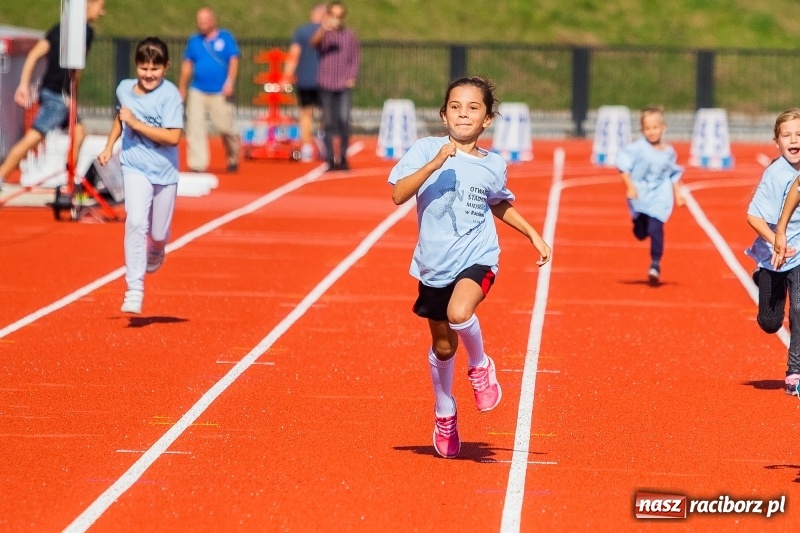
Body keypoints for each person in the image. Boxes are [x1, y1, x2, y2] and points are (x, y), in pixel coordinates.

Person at [388, 76, 551, 459]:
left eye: (473, 108)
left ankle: (480, 365)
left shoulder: (494, 165)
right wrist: (434, 163)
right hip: (433, 265)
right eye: (456, 107)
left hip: (478, 257)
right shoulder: (426, 148)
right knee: (443, 348)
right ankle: (445, 411)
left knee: (460, 313)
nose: (464, 113)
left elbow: (499, 203)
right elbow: (398, 194)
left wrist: (533, 235)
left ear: (487, 119)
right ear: (444, 115)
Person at [98, 37, 183, 315]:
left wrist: (138, 124)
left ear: (166, 67)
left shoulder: (170, 96)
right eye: (144, 68)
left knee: (158, 233)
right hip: (134, 166)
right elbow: (120, 118)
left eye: (155, 69)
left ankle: (158, 249)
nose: (149, 74)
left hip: (164, 171)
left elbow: (173, 137)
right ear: (136, 66)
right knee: (135, 221)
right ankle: (134, 287)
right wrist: (110, 146)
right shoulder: (124, 89)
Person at [0, 0, 106, 188]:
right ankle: (2, 174)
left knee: (79, 132)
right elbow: (76, 68)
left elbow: (34, 55)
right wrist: (74, 97)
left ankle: (69, 180)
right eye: (101, 6)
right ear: (88, 5)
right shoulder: (85, 32)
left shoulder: (59, 29)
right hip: (58, 95)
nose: (102, 12)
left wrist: (24, 84)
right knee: (34, 136)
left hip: (50, 91)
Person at [752, 109, 800, 396]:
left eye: (799, 135)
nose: (794, 140)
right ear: (777, 141)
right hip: (773, 253)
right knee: (770, 322)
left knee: (799, 308)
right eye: (787, 135)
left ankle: (794, 371)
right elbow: (754, 218)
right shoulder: (775, 174)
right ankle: (763, 279)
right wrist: (776, 238)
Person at [617, 105, 685, 284]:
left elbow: (673, 174)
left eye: (655, 127)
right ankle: (638, 224)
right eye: (647, 128)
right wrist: (630, 186)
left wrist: (678, 194)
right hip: (640, 195)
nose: (652, 132)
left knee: (656, 229)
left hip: (660, 197)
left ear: (663, 127)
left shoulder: (669, 152)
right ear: (642, 130)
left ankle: (655, 264)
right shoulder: (637, 148)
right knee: (641, 233)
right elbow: (623, 166)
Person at [178, 7, 240, 173]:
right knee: (195, 127)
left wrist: (230, 82)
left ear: (213, 21)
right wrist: (182, 87)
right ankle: (197, 164)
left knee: (226, 127)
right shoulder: (194, 41)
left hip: (219, 90)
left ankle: (232, 157)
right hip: (197, 89)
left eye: (205, 21)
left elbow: (233, 61)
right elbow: (187, 65)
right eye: (199, 21)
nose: (202, 24)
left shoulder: (225, 38)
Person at [310, 1, 360, 171]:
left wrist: (351, 76)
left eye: (339, 16)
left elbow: (355, 57)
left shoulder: (349, 35)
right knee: (328, 122)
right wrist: (324, 28)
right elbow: (313, 44)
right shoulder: (324, 34)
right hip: (326, 83)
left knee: (344, 120)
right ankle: (331, 159)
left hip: (343, 85)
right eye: (333, 15)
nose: (336, 19)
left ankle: (344, 157)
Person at [282, 4, 327, 162]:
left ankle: (307, 146)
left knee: (305, 114)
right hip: (325, 80)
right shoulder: (329, 32)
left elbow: (293, 55)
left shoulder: (302, 31)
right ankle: (323, 142)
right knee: (324, 114)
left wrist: (286, 76)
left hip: (305, 79)